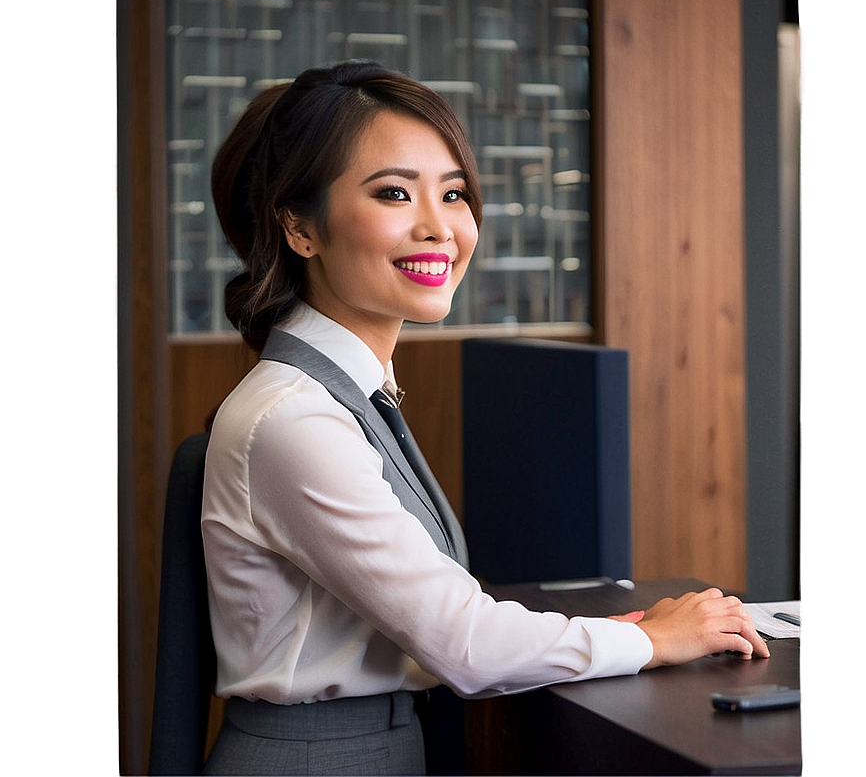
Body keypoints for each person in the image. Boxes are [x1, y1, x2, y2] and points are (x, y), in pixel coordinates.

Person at [200, 60, 769, 775]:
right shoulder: (295, 419)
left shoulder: (345, 396)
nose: (439, 228)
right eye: (395, 193)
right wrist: (656, 640)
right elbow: (462, 644)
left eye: (456, 194)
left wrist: (608, 630)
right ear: (299, 227)